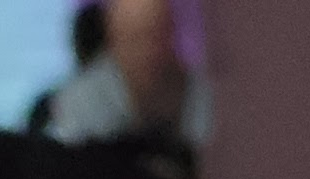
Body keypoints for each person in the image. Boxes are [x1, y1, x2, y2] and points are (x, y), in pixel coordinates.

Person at [30, 0, 211, 163]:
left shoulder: (194, 89)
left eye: (157, 36)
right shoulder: (77, 102)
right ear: (113, 40)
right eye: (136, 39)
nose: (150, 51)